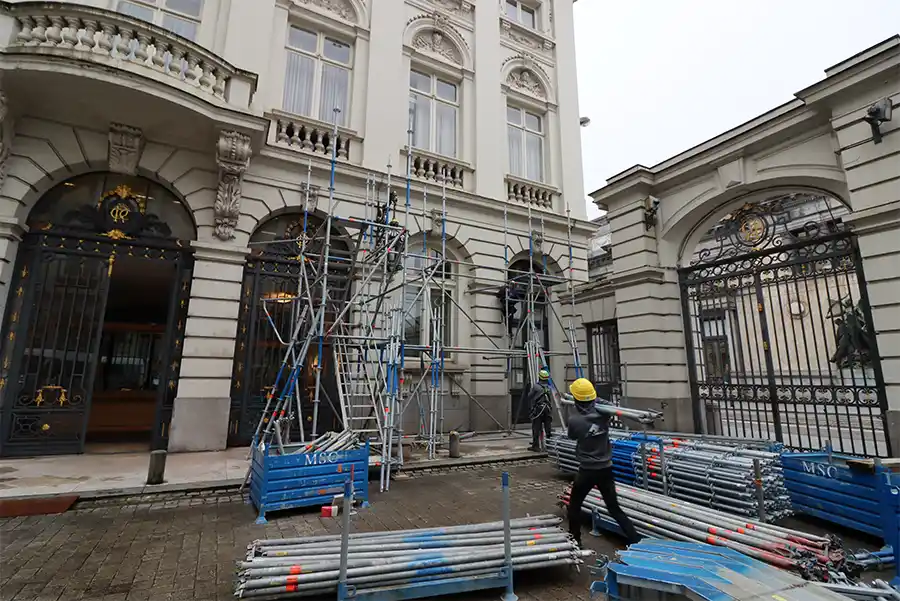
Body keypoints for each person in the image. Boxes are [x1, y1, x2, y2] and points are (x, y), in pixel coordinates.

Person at [565, 377, 642, 547]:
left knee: (574, 507)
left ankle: (575, 540)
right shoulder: (604, 413)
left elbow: (572, 436)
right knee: (614, 509)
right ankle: (636, 541)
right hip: (606, 469)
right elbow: (609, 406)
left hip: (586, 470)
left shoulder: (575, 420)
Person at [525, 368, 553, 452]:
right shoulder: (549, 387)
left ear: (539, 377)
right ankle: (549, 445)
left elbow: (529, 396)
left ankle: (536, 446)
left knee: (536, 427)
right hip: (547, 409)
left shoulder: (536, 387)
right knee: (548, 427)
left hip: (538, 409)